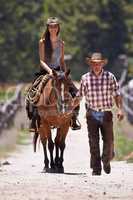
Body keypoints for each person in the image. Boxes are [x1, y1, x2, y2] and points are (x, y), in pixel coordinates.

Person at [28, 17, 81, 131]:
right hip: (45, 71)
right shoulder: (42, 42)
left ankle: (73, 118)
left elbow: (61, 61)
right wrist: (50, 71)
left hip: (60, 72)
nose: (53, 29)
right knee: (34, 92)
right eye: (51, 27)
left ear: (58, 28)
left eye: (55, 26)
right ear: (48, 28)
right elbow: (41, 61)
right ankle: (34, 120)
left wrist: (66, 74)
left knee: (75, 92)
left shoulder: (61, 43)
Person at [77, 52, 124, 175]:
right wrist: (71, 108)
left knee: (109, 141)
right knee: (93, 141)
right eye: (94, 64)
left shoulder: (110, 76)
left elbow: (117, 94)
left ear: (102, 64)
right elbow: (79, 96)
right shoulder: (85, 78)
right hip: (92, 113)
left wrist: (119, 109)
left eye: (98, 64)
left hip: (106, 113)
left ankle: (106, 159)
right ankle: (96, 168)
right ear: (91, 64)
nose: (96, 66)